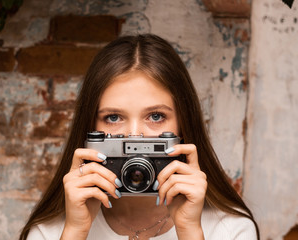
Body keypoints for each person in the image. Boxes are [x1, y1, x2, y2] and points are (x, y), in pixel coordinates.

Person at [19, 34, 259, 240]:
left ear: (183, 125)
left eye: (155, 116)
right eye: (113, 117)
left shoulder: (231, 230)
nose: (134, 136)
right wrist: (75, 231)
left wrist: (190, 231)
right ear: (89, 131)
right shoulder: (51, 232)